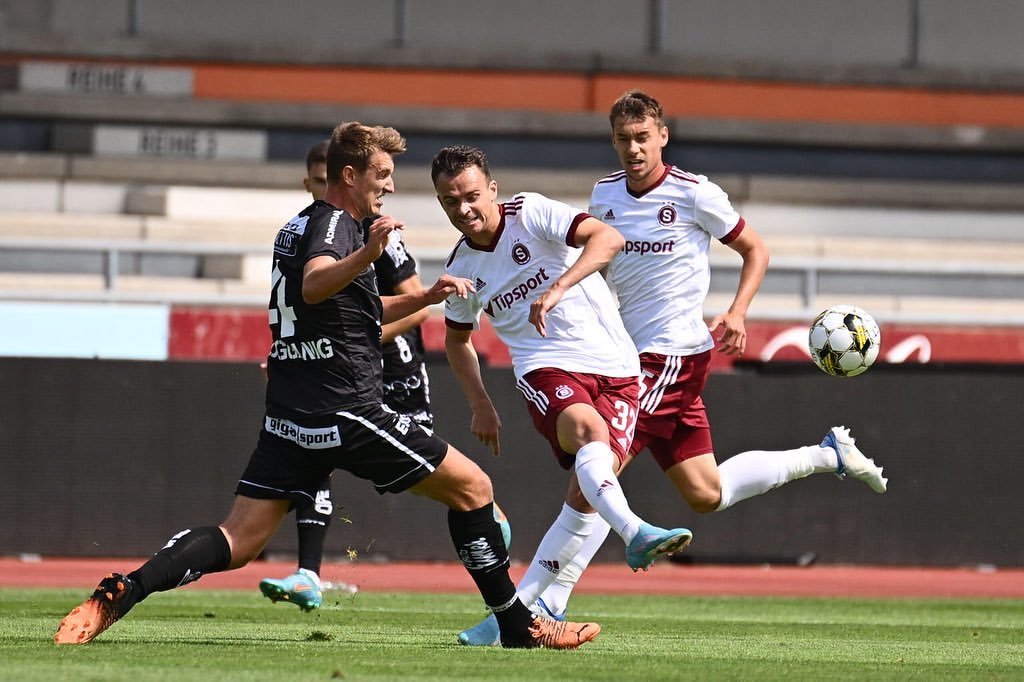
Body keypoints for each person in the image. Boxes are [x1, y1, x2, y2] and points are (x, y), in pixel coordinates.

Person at [55, 122, 597, 650]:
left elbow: (352, 309)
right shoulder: (340, 227)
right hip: (346, 408)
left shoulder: (299, 225)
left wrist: (428, 296)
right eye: (381, 174)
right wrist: (368, 254)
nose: (388, 185)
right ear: (349, 174)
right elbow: (316, 284)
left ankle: (124, 591)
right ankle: (518, 626)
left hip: (290, 412)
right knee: (474, 489)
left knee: (239, 538)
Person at [458, 90, 889, 645]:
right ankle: (826, 453)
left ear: (663, 136)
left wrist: (736, 311)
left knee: (595, 477)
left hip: (670, 355)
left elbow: (755, 248)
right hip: (619, 354)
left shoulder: (695, 194)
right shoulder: (605, 194)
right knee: (704, 491)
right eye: (623, 139)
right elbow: (599, 258)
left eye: (643, 137)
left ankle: (531, 610)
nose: (633, 149)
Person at [433, 144, 694, 626]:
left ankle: (522, 612)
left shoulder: (531, 213)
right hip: (546, 367)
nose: (464, 210)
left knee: (585, 493)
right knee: (588, 434)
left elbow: (608, 238)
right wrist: (480, 405)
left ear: (492, 189)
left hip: (618, 367)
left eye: (470, 195)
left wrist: (559, 285)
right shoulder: (463, 267)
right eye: (450, 202)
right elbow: (456, 341)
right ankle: (634, 530)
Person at [258, 139, 447, 610]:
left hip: (387, 362)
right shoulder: (313, 229)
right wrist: (299, 354)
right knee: (312, 445)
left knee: (451, 480)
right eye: (318, 181)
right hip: (334, 366)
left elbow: (416, 306)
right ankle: (308, 572)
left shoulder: (380, 232)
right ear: (311, 184)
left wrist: (350, 344)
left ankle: (497, 552)